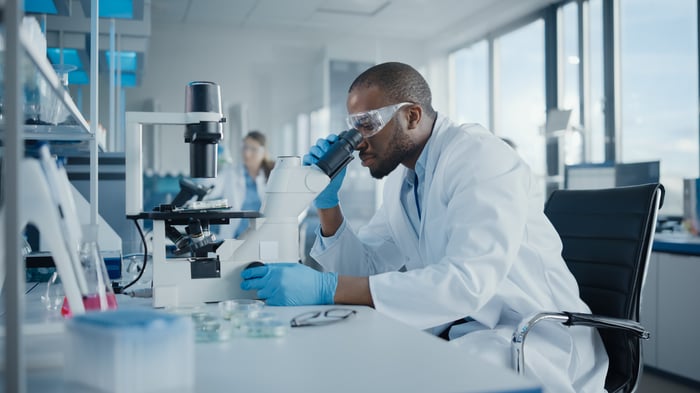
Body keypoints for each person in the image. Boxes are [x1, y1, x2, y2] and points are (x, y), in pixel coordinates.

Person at [240, 62, 608, 392]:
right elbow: (365, 271)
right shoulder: (403, 181)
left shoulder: (479, 157)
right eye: (353, 127)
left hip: (529, 338)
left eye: (367, 124)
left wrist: (326, 287)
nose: (358, 144)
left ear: (412, 116)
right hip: (463, 330)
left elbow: (466, 282)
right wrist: (327, 205)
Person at [208, 131, 274, 238]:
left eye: (253, 149)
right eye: (245, 147)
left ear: (264, 152)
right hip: (236, 236)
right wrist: (210, 162)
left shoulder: (273, 174)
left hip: (263, 236)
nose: (247, 153)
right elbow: (209, 189)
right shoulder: (231, 172)